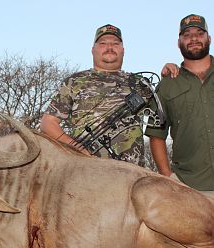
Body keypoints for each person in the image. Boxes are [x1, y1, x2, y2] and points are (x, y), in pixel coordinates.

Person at [40, 24, 156, 166]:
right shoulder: (75, 81)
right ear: (93, 50)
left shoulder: (141, 84)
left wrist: (169, 70)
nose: (109, 47)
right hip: (85, 171)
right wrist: (76, 147)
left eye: (115, 43)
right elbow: (48, 123)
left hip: (132, 176)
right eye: (103, 43)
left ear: (123, 50)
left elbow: (159, 127)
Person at [145, 14, 214, 196]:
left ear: (209, 38)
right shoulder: (168, 84)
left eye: (199, 33)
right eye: (187, 34)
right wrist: (168, 177)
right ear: (179, 42)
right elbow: (156, 134)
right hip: (191, 189)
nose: (193, 38)